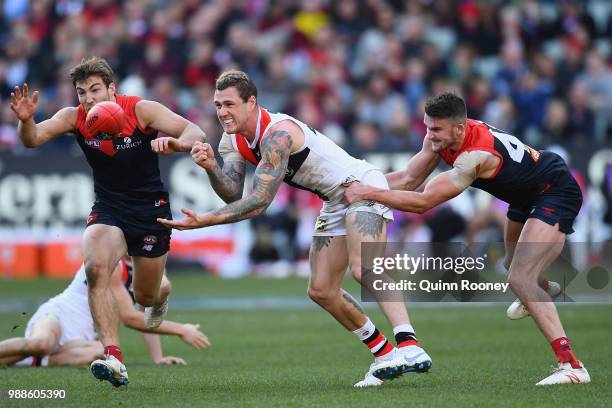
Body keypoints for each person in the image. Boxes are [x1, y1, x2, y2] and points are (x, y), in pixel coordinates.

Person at [158, 70, 432, 388]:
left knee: (365, 269)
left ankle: (410, 346)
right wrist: (210, 168)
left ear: (252, 102)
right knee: (321, 290)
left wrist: (206, 220)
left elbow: (259, 201)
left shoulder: (278, 134)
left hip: (361, 187)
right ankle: (385, 355)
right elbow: (232, 191)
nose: (222, 112)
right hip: (333, 199)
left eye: (229, 104)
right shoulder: (230, 138)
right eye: (218, 105)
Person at [344, 92, 590, 386]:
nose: (429, 135)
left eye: (435, 129)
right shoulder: (443, 136)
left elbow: (423, 202)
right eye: (426, 127)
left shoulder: (475, 156)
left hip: (554, 189)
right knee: (516, 268)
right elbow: (410, 178)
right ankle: (543, 290)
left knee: (519, 278)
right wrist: (356, 183)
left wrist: (367, 193)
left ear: (459, 129)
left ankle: (572, 365)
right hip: (524, 196)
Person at [9, 56, 207, 386]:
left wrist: (176, 143)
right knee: (95, 266)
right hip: (109, 207)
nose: (88, 98)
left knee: (145, 297)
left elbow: (195, 131)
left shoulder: (141, 110)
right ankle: (113, 358)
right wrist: (26, 121)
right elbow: (32, 139)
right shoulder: (74, 117)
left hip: (150, 210)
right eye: (81, 92)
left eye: (95, 90)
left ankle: (160, 294)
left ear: (112, 89)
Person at [0, 258, 210, 370]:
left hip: (83, 337)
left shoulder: (152, 267)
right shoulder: (112, 261)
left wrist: (158, 358)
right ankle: (37, 356)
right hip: (59, 315)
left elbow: (147, 316)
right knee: (42, 344)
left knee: (103, 355)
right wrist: (181, 329)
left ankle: (32, 361)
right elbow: (129, 317)